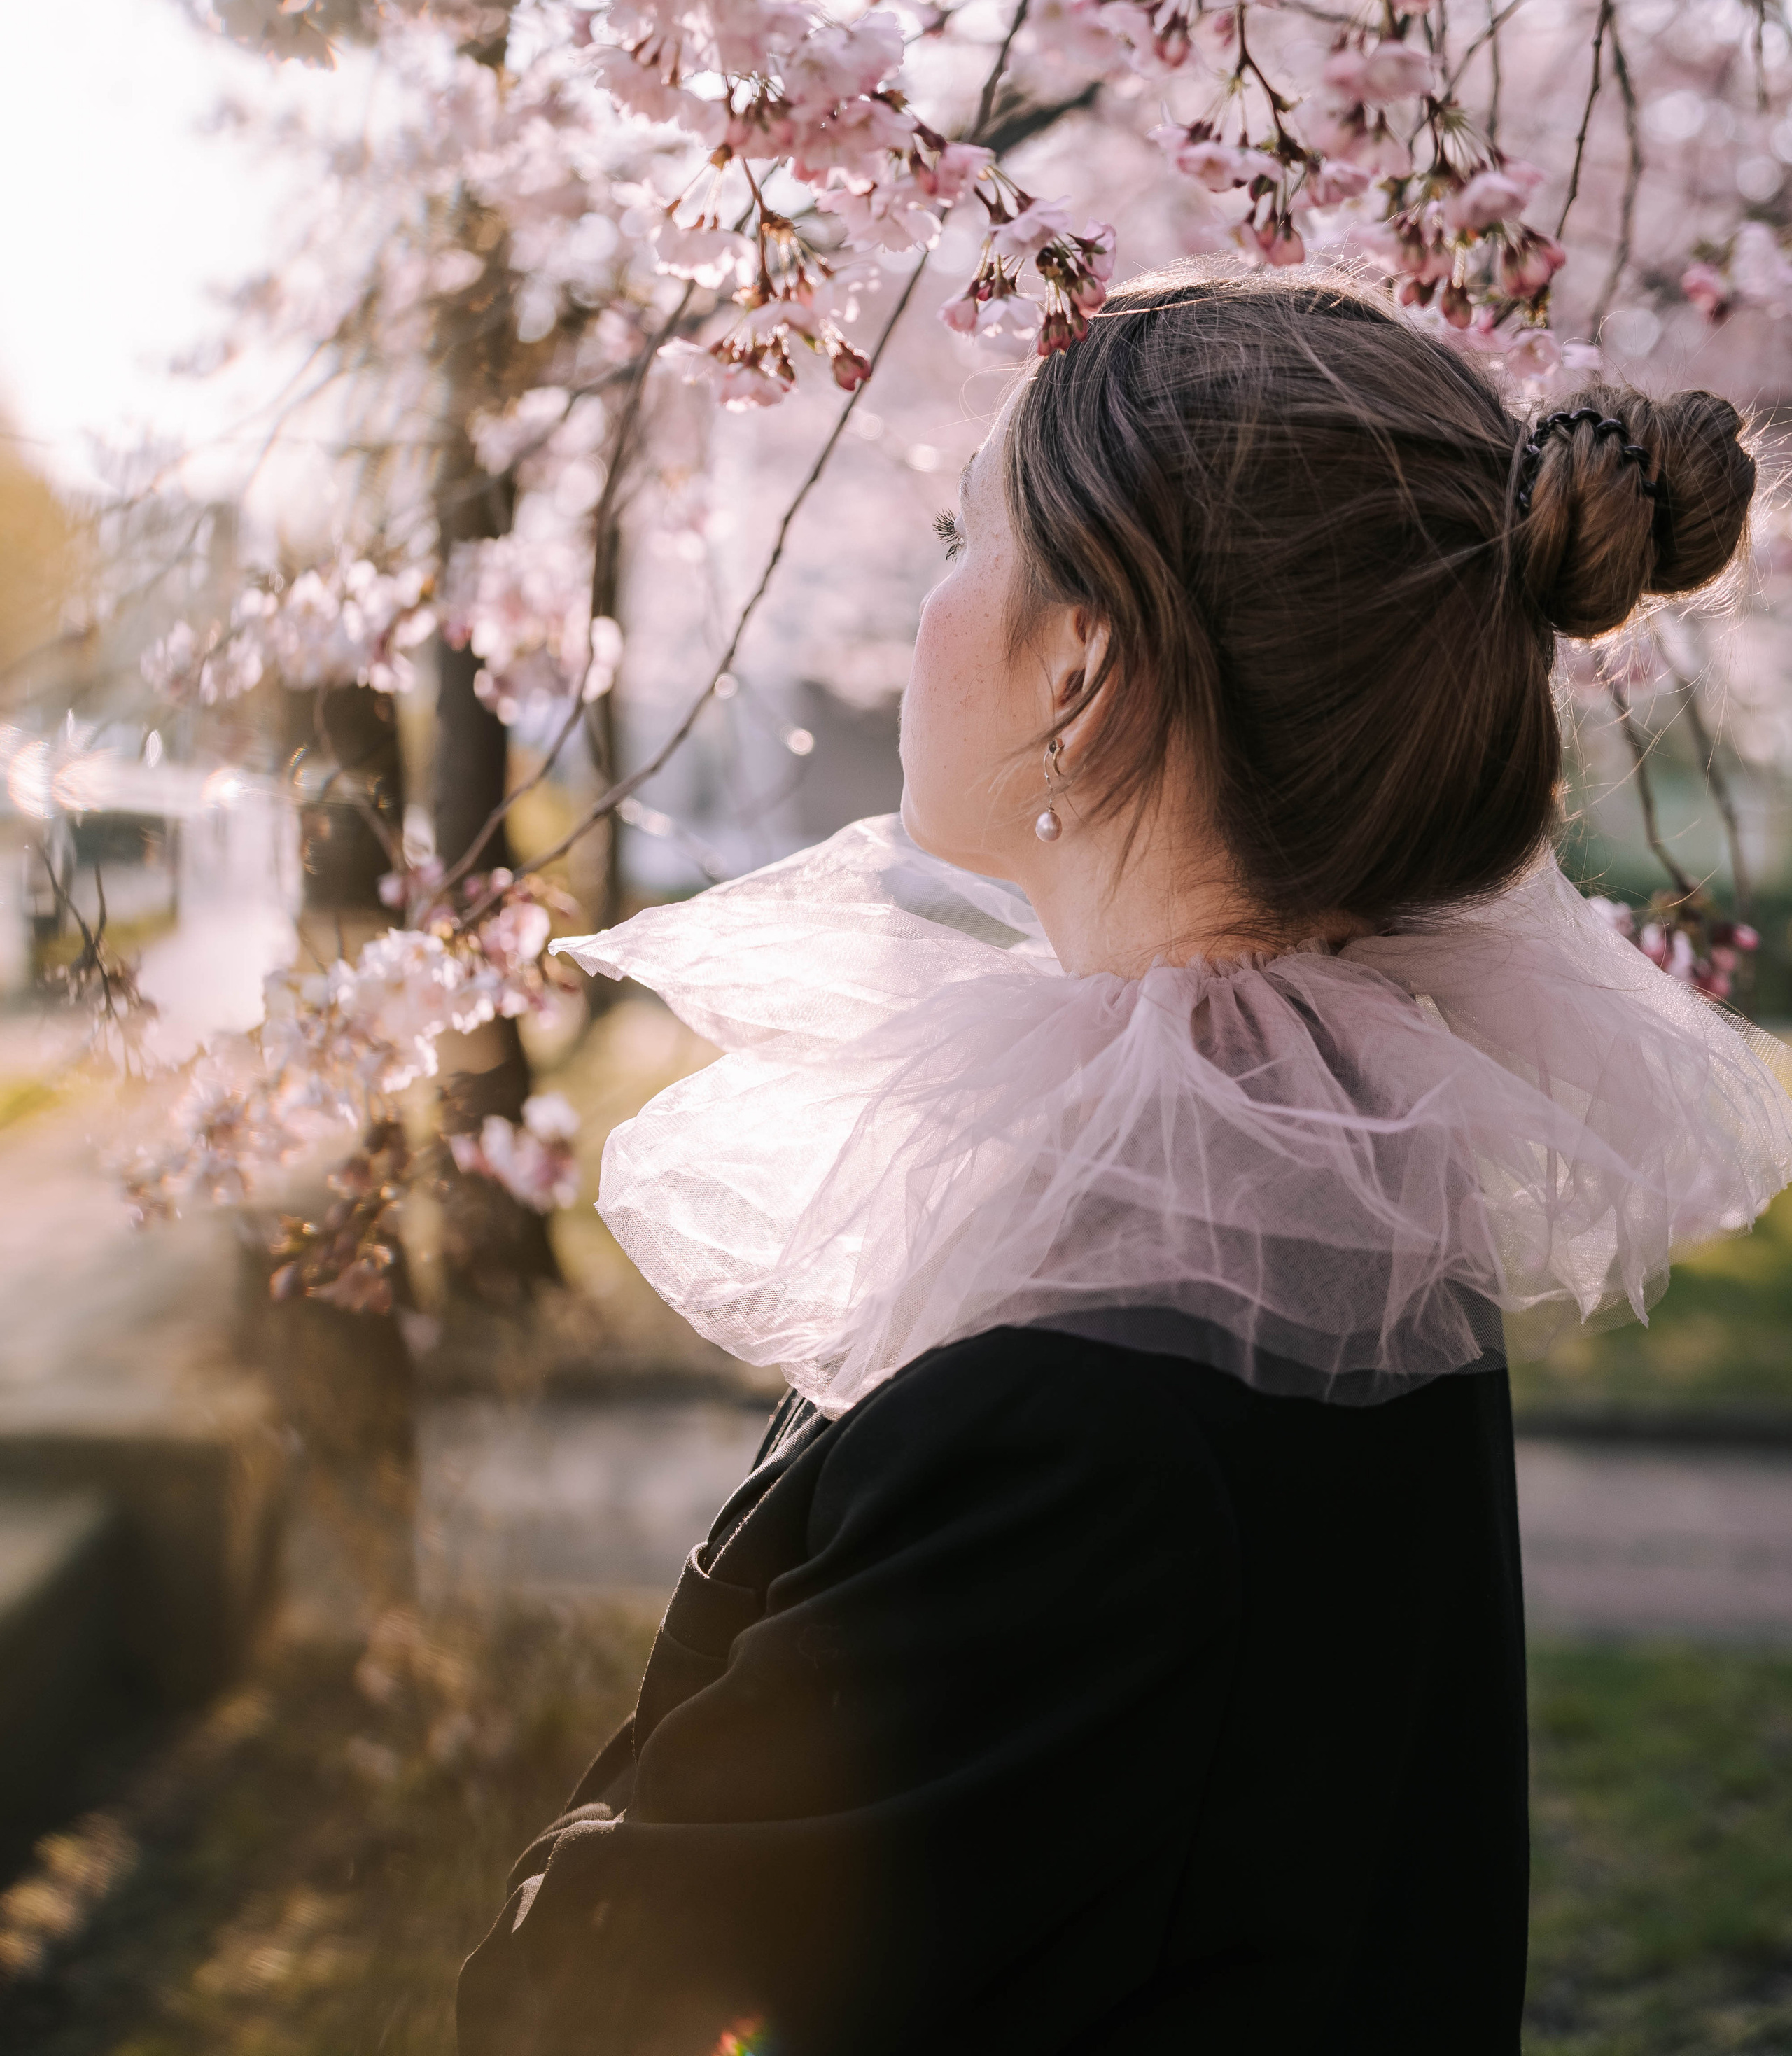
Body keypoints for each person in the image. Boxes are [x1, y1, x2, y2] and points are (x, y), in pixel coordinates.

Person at [458, 276, 1789, 2056]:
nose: (922, 606)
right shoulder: (1327, 1221)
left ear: (1081, 662)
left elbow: (592, 2008)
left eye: (959, 540)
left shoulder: (1085, 1415)